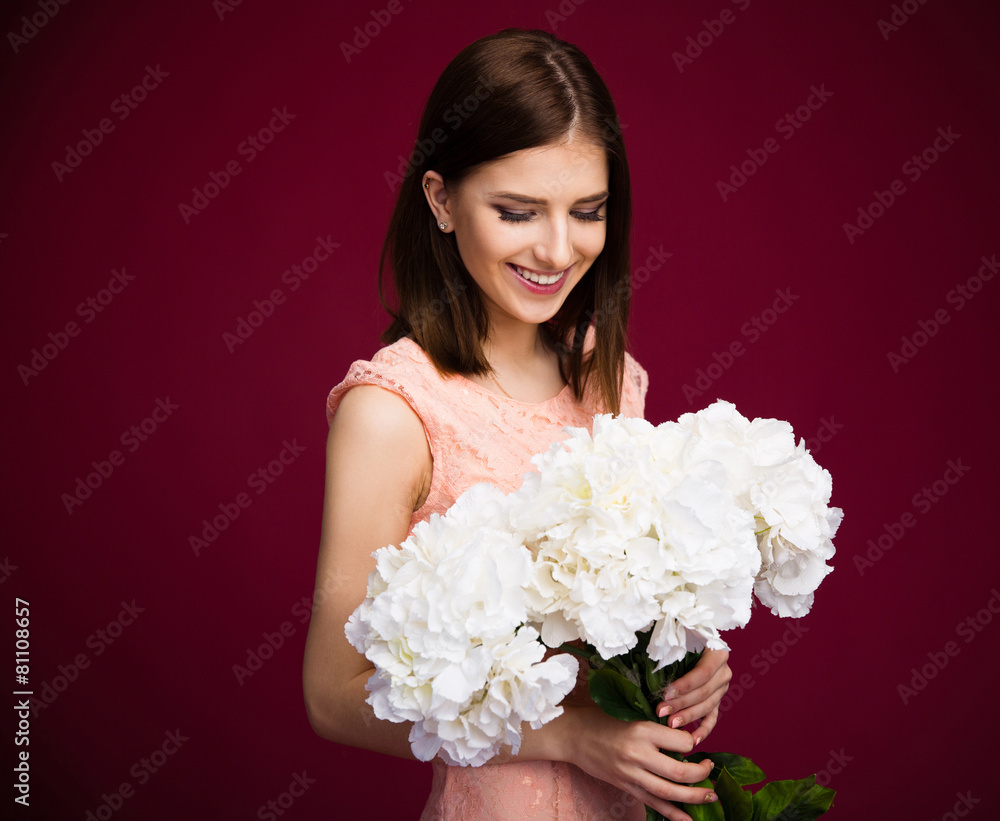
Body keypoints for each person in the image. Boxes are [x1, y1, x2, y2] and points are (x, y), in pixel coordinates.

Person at [302, 28, 732, 821]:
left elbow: (621, 616)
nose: (559, 250)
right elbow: (333, 696)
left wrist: (691, 655)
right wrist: (566, 735)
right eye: (517, 211)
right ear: (440, 199)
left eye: (589, 212)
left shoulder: (607, 373)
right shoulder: (392, 413)